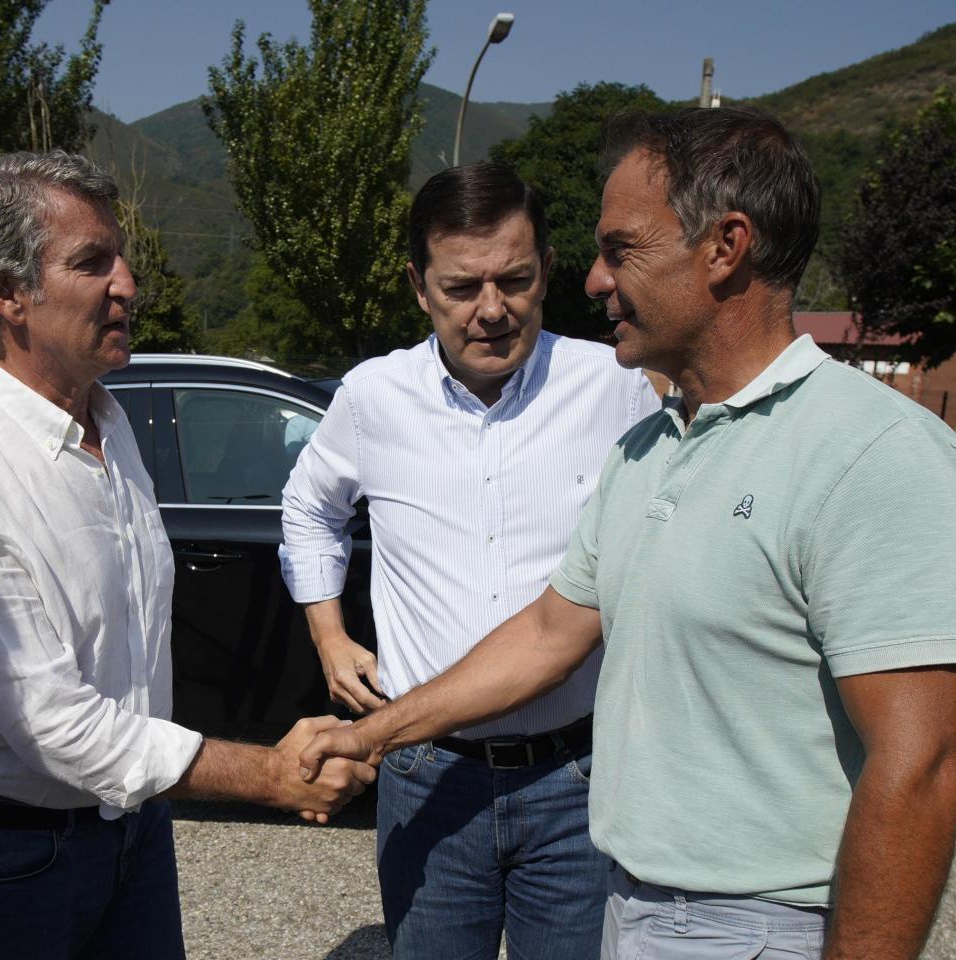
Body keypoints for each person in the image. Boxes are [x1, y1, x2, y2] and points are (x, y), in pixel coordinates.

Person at [301, 106, 956, 960]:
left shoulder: (872, 452)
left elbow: (924, 766)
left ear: (725, 247)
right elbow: (551, 633)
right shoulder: (652, 447)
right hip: (636, 904)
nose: (593, 279)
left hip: (765, 924)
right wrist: (369, 734)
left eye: (621, 249)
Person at [0, 150, 375, 960]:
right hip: (7, 858)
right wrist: (270, 774)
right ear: (7, 293)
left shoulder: (108, 424)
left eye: (122, 257)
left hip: (131, 827)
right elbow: (57, 727)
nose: (127, 284)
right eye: (90, 263)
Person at [279, 162, 659, 959]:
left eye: (515, 280)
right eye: (461, 288)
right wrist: (328, 634)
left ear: (547, 271)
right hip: (427, 776)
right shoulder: (373, 396)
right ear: (419, 287)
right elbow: (309, 508)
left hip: (578, 781)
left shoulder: (617, 390)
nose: (491, 310)